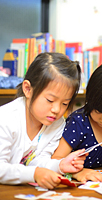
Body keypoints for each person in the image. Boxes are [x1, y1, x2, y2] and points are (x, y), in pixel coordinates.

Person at [0, 52, 87, 189]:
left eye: (64, 104)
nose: (57, 109)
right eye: (50, 100)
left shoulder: (57, 123)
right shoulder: (6, 118)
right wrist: (35, 173)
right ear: (28, 89)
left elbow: (39, 161)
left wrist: (61, 165)